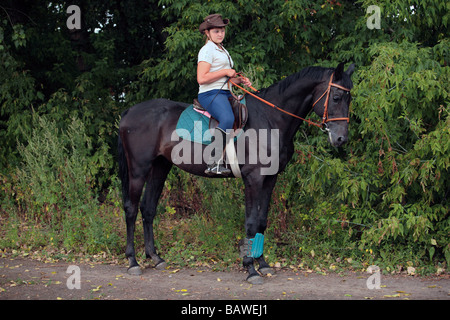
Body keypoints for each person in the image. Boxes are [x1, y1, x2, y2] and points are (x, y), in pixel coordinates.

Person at [197, 14, 251, 175]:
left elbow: (226, 78)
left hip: (225, 92)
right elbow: (202, 78)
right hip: (210, 94)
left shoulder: (221, 49)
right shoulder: (207, 50)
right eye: (216, 31)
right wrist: (225, 71)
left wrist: (240, 80)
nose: (220, 34)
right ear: (207, 33)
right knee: (227, 118)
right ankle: (213, 162)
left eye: (222, 31)